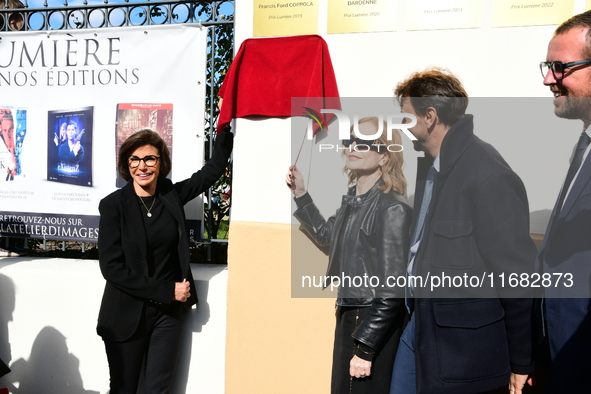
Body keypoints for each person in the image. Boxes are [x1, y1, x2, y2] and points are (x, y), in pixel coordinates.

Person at [389, 68, 537, 394]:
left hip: (462, 354)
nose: (401, 128)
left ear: (429, 116)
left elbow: (517, 276)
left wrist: (521, 362)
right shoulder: (433, 165)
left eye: (406, 118)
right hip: (419, 328)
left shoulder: (487, 173)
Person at [97, 126, 233, 393]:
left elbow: (212, 171)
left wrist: (225, 125)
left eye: (150, 159)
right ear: (127, 164)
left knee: (157, 389)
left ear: (161, 163)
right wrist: (168, 290)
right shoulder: (113, 206)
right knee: (124, 387)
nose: (142, 166)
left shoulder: (170, 195)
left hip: (167, 315)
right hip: (126, 314)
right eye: (134, 159)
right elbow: (111, 268)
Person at [287, 117, 411, 394]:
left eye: (365, 143)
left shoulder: (392, 209)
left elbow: (393, 289)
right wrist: (302, 194)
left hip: (369, 318)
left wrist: (366, 347)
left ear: (385, 156)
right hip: (349, 313)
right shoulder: (353, 202)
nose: (353, 146)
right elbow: (326, 237)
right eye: (350, 140)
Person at [538, 10, 591, 392]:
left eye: (560, 67)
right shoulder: (583, 145)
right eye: (547, 66)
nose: (548, 79)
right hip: (560, 356)